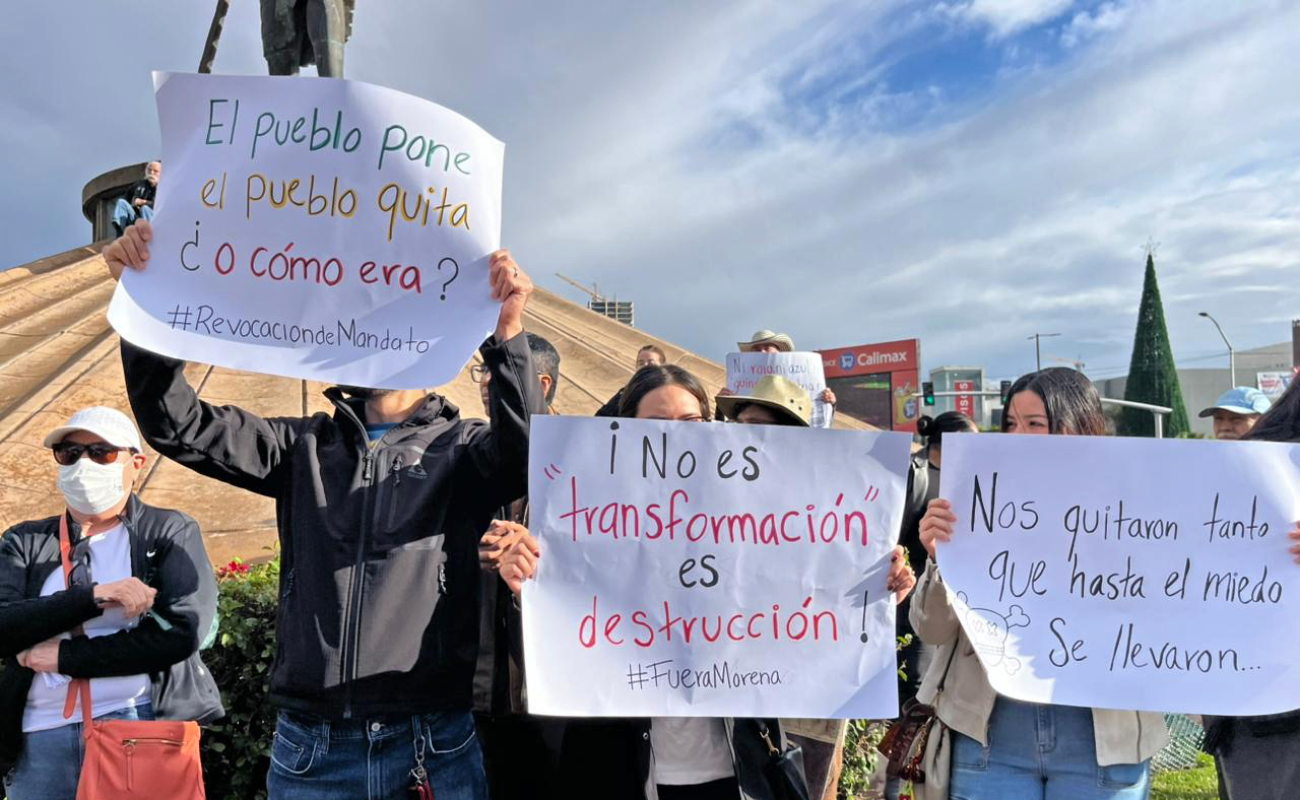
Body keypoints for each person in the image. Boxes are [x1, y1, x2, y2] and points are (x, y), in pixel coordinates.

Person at [103, 219, 540, 800]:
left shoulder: (461, 448)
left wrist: (505, 335)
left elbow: (527, 456)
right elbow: (177, 424)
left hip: (431, 742)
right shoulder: (300, 446)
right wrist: (148, 303)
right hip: (313, 748)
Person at [911, 368, 1168, 800]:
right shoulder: (973, 504)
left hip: (1106, 740)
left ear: (1082, 428)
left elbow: (1181, 609)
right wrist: (940, 561)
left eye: (1036, 423)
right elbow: (932, 630)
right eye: (1011, 424)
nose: (1018, 437)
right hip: (990, 736)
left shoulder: (1136, 508)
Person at [0, 406, 223, 800]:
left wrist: (63, 657)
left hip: (138, 725)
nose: (83, 464)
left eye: (101, 452)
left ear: (135, 464)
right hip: (40, 735)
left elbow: (180, 634)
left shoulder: (168, 531)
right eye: (70, 453)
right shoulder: (25, 541)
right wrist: (94, 597)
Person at [719, 375, 917, 800]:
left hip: (806, 699)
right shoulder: (709, 496)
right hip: (722, 695)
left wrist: (890, 585)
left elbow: (862, 582)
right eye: (739, 424)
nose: (743, 435)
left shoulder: (837, 501)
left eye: (759, 426)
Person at [471, 331, 564, 800]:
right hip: (484, 691)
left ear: (539, 383)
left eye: (496, 372)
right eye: (483, 372)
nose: (486, 384)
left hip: (559, 690)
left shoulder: (582, 459)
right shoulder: (471, 453)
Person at [1203, 377, 1300, 800]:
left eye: (1235, 418)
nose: (1225, 426)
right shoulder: (1244, 470)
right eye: (1220, 419)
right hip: (1264, 706)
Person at [718, 330, 836, 417]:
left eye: (767, 348)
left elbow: (812, 418)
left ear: (779, 352)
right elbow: (733, 422)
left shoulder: (799, 378)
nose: (762, 352)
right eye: (757, 349)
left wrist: (828, 404)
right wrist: (723, 404)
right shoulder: (741, 384)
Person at [595, 344, 667, 417]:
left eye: (651, 363)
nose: (645, 366)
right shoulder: (625, 393)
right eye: (641, 363)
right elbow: (602, 416)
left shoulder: (670, 394)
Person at [1197, 387, 1272, 440]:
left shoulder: (1276, 456)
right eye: (1218, 419)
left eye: (1236, 419)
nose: (1224, 427)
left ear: (1263, 423)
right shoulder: (1205, 456)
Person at [111, 161, 161, 235]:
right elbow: (126, 198)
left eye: (155, 171)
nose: (151, 173)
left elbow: (162, 205)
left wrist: (143, 202)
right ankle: (120, 228)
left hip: (155, 219)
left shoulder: (164, 187)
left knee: (145, 208)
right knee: (121, 202)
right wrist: (134, 202)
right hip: (137, 219)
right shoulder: (138, 185)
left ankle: (146, 233)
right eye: (149, 170)